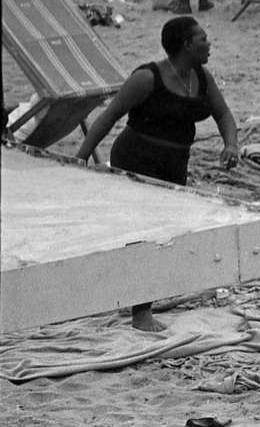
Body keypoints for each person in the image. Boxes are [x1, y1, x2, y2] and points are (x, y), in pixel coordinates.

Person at [74, 17, 240, 331]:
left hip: (174, 163)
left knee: (165, 232)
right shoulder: (147, 78)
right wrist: (81, 157)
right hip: (136, 159)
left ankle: (135, 298)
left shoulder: (202, 77)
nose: (210, 44)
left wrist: (231, 144)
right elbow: (109, 117)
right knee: (144, 234)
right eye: (203, 38)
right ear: (187, 44)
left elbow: (223, 113)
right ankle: (141, 312)